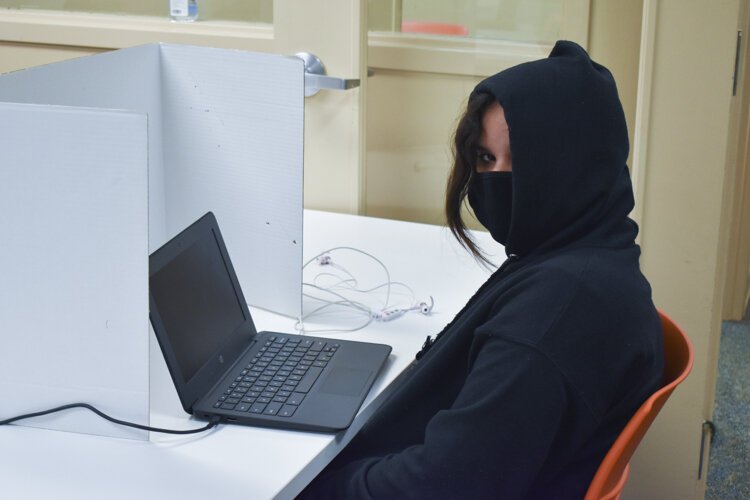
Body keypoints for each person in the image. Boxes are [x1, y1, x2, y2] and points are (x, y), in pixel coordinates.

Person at [298, 40, 664, 499]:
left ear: (577, 165)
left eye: (522, 162)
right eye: (486, 159)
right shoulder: (596, 253)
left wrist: (308, 485)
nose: (497, 181)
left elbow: (439, 488)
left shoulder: (554, 317)